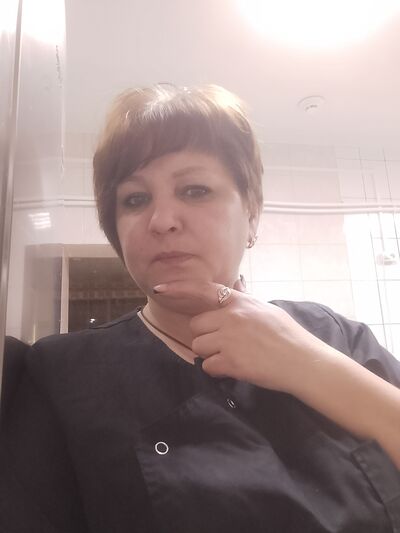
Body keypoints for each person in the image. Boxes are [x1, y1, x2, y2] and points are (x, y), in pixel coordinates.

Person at [2, 84, 400, 532]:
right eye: (135, 199)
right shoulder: (63, 375)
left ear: (251, 212)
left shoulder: (332, 334)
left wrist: (309, 364)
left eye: (194, 190)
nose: (162, 220)